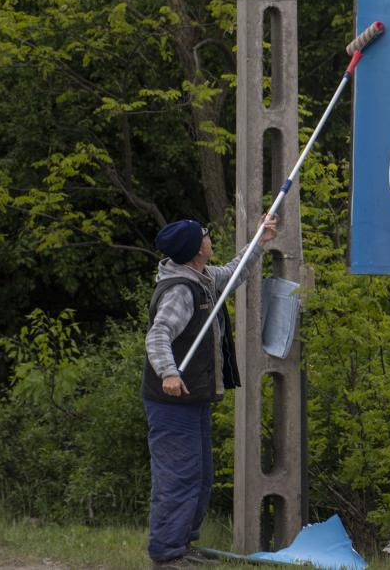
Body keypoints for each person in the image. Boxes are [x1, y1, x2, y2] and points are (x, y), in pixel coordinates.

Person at [143, 215, 276, 567]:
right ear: (196, 249)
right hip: (173, 402)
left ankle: (183, 544)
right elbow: (158, 336)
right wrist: (168, 372)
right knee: (178, 475)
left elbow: (234, 273)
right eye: (205, 235)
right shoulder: (180, 291)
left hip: (192, 398)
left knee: (198, 475)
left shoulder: (200, 278)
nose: (210, 237)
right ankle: (168, 554)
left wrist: (259, 241)